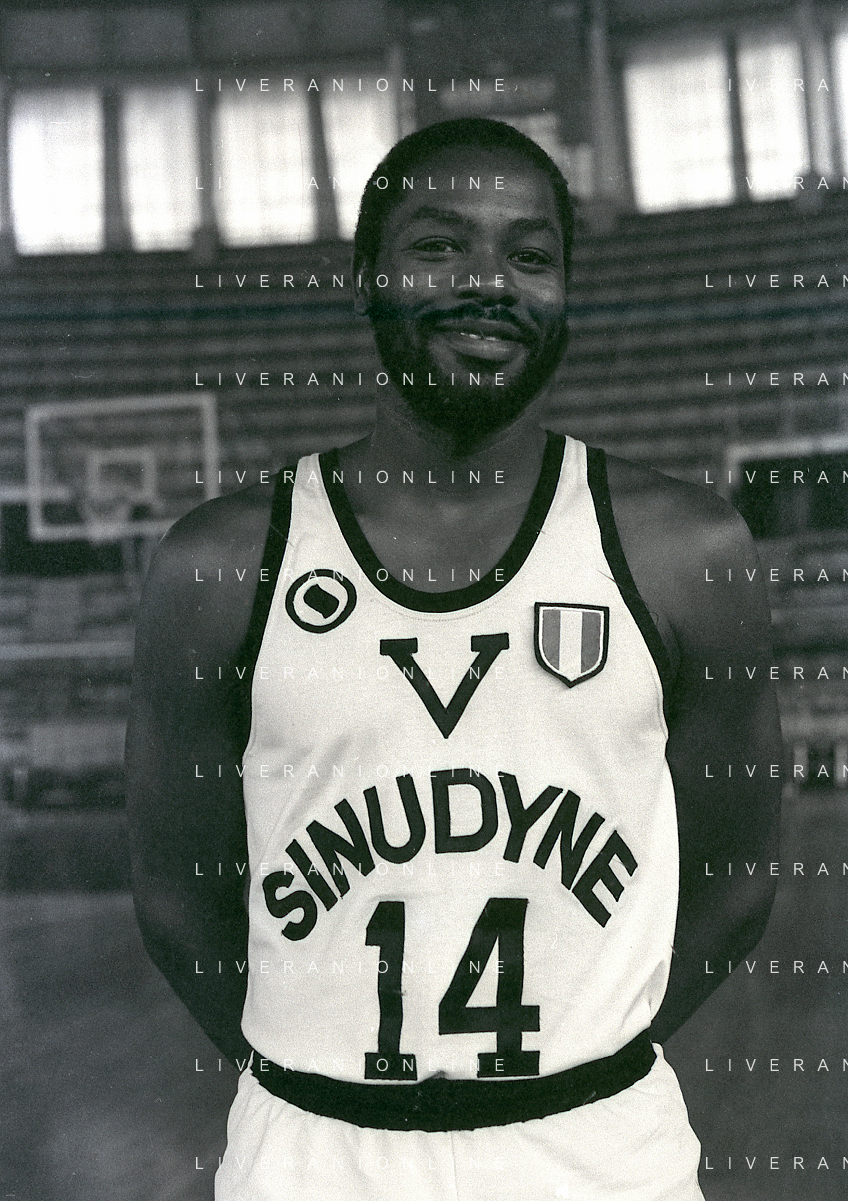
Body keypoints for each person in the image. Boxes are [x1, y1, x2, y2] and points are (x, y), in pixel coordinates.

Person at [125, 118, 782, 1201]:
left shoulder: (686, 550)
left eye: (531, 255)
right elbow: (175, 896)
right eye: (438, 246)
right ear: (365, 276)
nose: (489, 281)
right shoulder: (221, 562)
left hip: (596, 1151)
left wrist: (583, 1060)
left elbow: (737, 881)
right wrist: (320, 1075)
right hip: (312, 1153)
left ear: (565, 292)